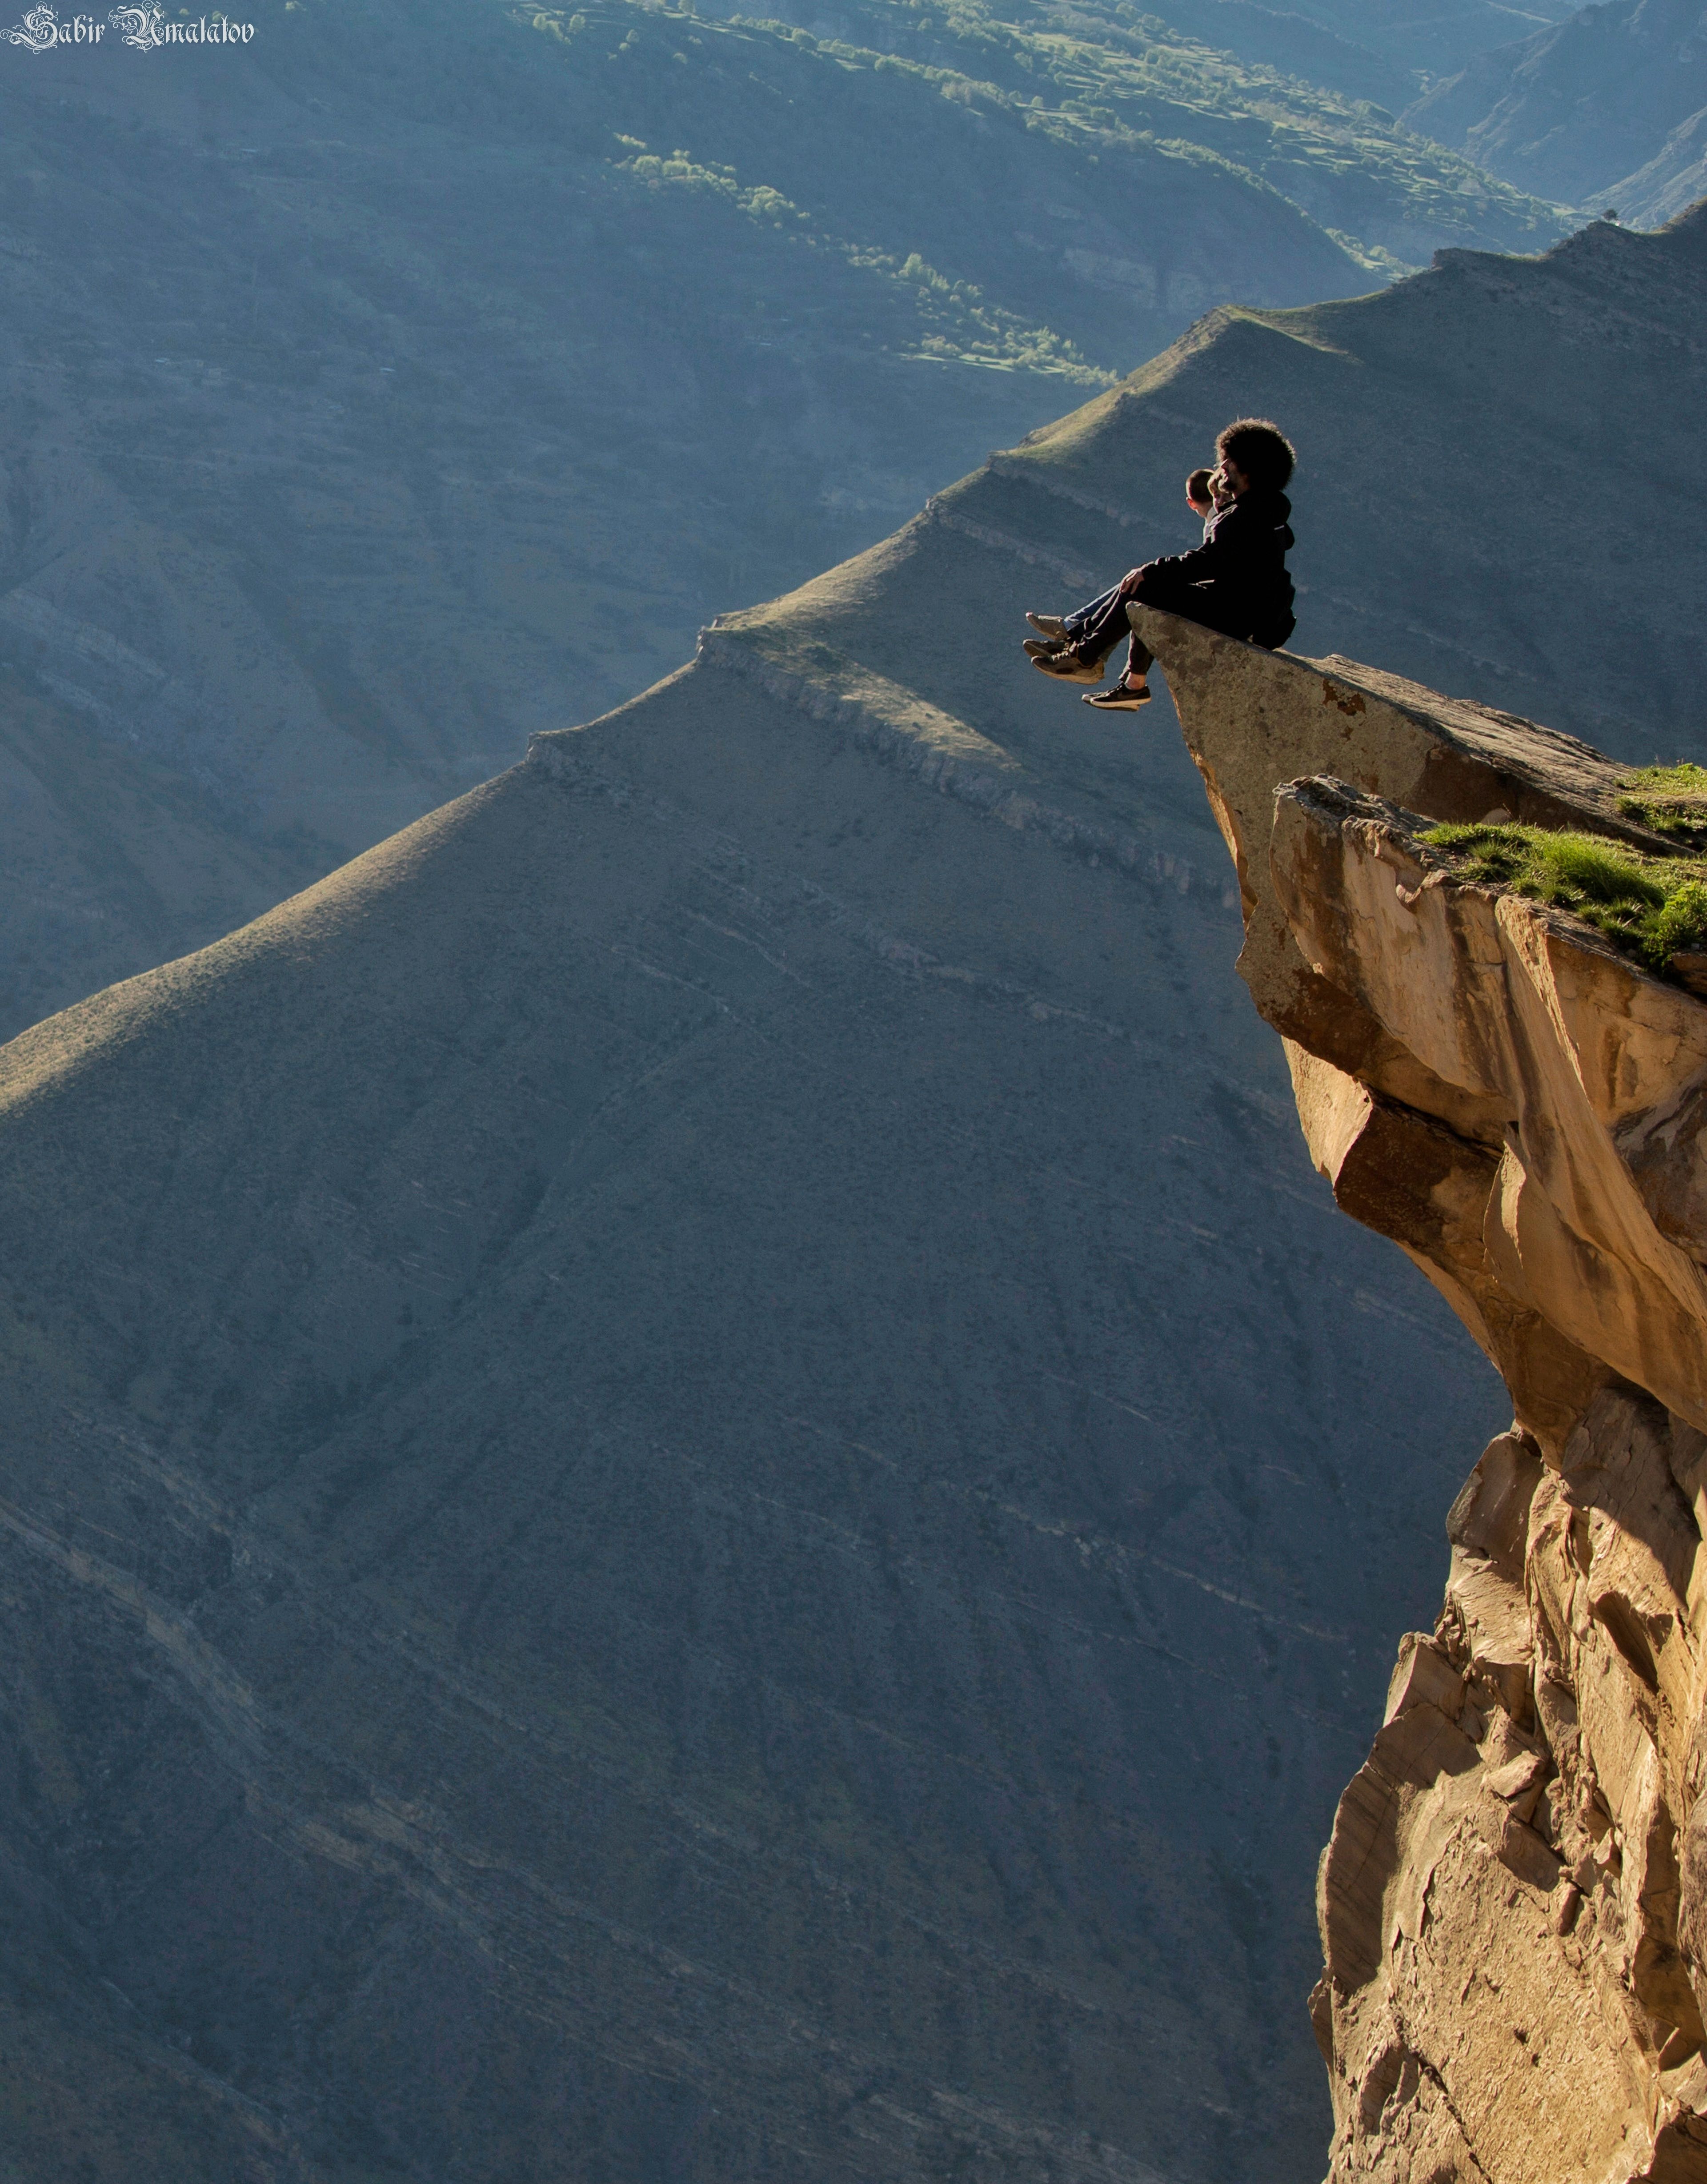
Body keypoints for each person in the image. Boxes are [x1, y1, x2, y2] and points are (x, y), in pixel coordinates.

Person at [1022, 419, 1296, 712]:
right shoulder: (1267, 510)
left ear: (1250, 468)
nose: (1223, 465)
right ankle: (1095, 659)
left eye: (1231, 460)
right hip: (1246, 610)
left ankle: (1084, 658)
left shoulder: (1246, 515)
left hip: (1237, 615)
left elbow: (1207, 562)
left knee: (1147, 586)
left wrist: (1151, 569)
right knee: (1149, 586)